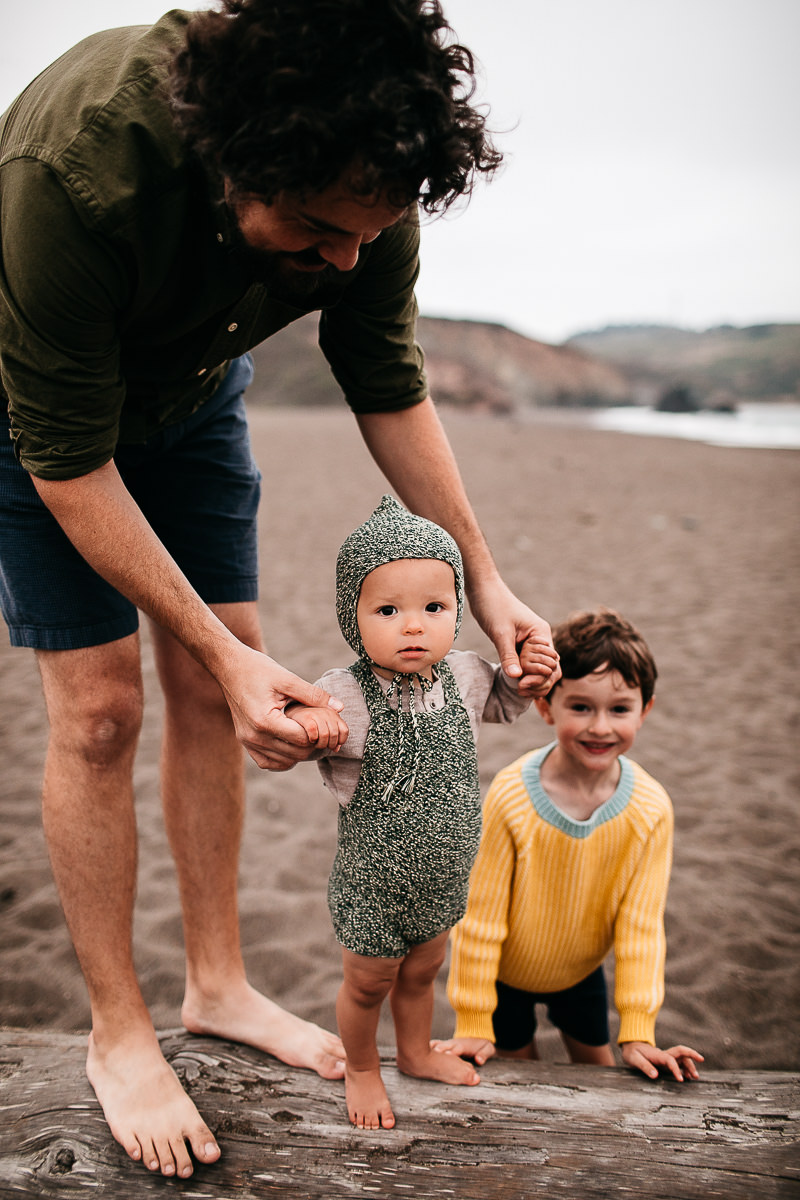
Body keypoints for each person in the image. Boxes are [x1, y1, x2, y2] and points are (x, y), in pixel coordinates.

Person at [0, 0, 560, 1180]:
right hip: (41, 417)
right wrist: (216, 647)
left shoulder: (369, 177)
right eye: (314, 230)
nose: (347, 259)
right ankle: (118, 1032)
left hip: (195, 394)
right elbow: (68, 461)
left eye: (371, 231)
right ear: (233, 159)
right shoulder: (74, 171)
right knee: (100, 711)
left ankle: (216, 986)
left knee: (218, 688)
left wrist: (488, 582)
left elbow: (388, 383)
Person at [287, 496, 558, 1130]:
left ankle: (413, 1052)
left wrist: (529, 677)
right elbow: (297, 729)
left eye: (433, 608)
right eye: (388, 611)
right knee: (368, 983)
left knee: (424, 971)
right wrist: (307, 725)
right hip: (374, 883)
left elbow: (504, 701)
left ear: (458, 609)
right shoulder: (343, 692)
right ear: (352, 617)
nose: (413, 627)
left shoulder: (465, 674)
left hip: (443, 873)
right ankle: (362, 1068)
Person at [437, 609, 703, 1082]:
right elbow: (480, 918)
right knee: (521, 1084)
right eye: (580, 707)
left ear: (645, 710)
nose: (600, 727)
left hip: (581, 976)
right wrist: (474, 1020)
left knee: (601, 1076)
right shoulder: (511, 795)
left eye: (619, 709)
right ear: (546, 707)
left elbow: (641, 928)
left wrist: (638, 1033)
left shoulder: (651, 809)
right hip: (504, 980)